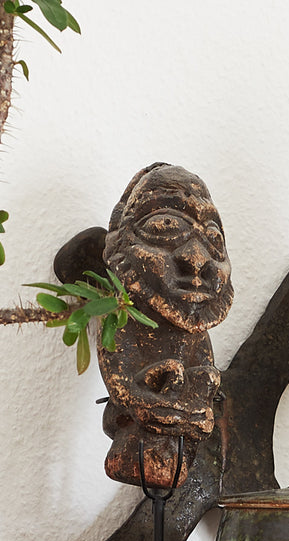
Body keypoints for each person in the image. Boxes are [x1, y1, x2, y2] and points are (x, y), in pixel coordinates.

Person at [97, 163, 233, 486]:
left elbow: (205, 381)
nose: (197, 257)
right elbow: (122, 383)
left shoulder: (197, 333)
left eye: (213, 238)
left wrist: (198, 401)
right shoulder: (120, 315)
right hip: (138, 433)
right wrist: (143, 396)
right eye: (166, 226)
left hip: (178, 432)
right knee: (172, 375)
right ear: (120, 242)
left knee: (206, 377)